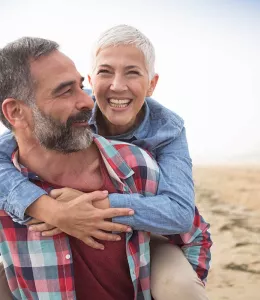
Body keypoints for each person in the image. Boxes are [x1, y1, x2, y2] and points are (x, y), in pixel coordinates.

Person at [0, 26, 212, 299]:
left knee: (179, 286)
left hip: (149, 229)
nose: (117, 86)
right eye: (105, 72)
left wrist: (101, 206)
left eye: (133, 72)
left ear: (152, 84)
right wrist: (49, 209)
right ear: (91, 79)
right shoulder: (73, 112)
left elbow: (181, 215)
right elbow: (17, 141)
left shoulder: (165, 132)